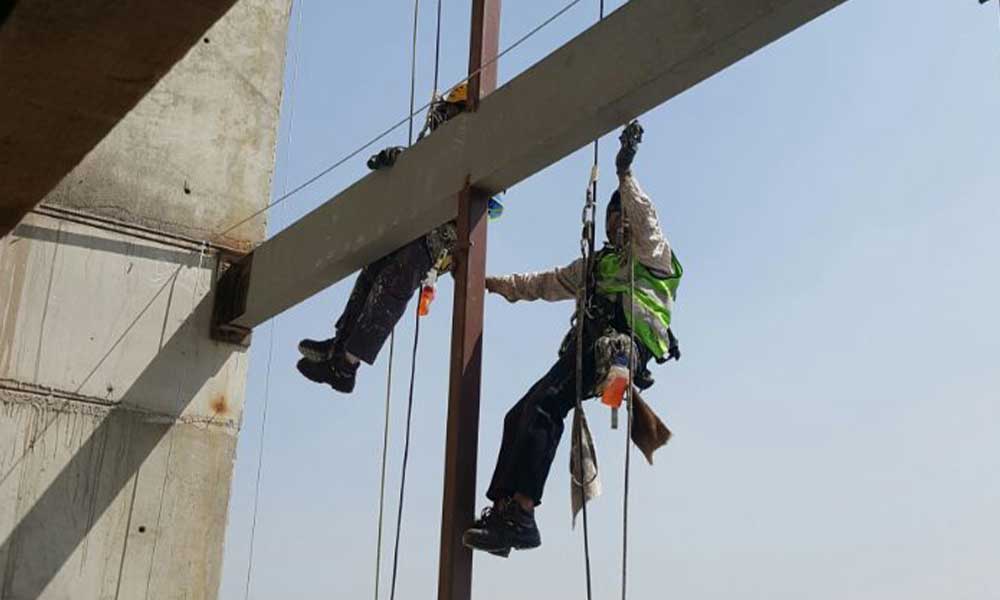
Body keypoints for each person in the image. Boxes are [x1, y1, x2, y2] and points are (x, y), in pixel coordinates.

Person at [462, 121, 683, 556]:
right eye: (613, 216)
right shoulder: (596, 266)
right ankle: (507, 510)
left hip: (625, 346)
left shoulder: (652, 254)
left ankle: (522, 511)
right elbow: (541, 283)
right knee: (521, 412)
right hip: (587, 349)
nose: (620, 222)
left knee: (551, 401)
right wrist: (485, 283)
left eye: (624, 216)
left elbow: (646, 219)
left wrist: (624, 175)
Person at [295, 84, 469, 393]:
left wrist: (407, 158)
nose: (441, 120)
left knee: (390, 286)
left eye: (447, 113)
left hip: (433, 238)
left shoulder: (470, 143)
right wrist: (400, 161)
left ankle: (346, 365)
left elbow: (444, 171)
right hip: (412, 226)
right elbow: (426, 169)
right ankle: (339, 346)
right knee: (371, 276)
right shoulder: (443, 146)